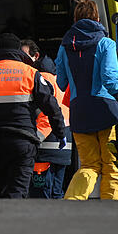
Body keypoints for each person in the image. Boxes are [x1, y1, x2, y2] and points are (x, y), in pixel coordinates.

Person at [54, 0, 118, 200]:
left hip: (79, 114)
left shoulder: (65, 47)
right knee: (111, 167)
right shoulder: (105, 43)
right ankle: (110, 213)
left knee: (89, 166)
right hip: (106, 113)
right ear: (97, 18)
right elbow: (110, 81)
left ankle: (72, 201)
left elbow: (60, 83)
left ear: (75, 19)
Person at [0, 32, 67, 198]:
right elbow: (52, 106)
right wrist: (60, 133)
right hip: (23, 142)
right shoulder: (30, 73)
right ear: (18, 51)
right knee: (17, 192)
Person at [28, 54, 73, 199]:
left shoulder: (40, 81)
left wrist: (36, 139)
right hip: (65, 144)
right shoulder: (61, 83)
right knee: (57, 191)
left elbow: (46, 116)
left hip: (45, 146)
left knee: (41, 193)